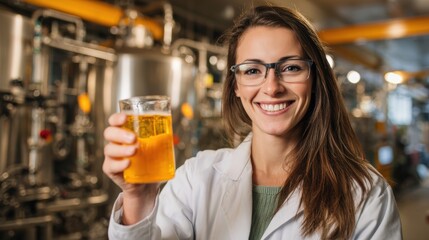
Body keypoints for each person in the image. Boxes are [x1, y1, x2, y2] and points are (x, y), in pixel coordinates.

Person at [103, 5, 402, 240]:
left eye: (291, 67)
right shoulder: (197, 178)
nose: (271, 87)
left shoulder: (365, 193)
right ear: (235, 85)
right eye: (252, 70)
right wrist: (138, 199)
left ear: (316, 79)